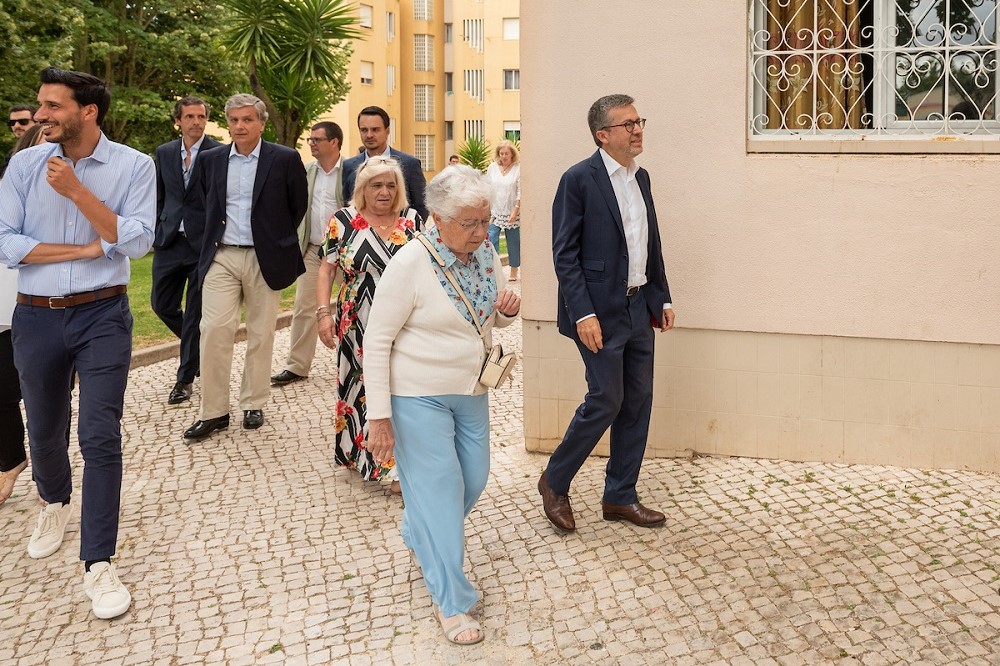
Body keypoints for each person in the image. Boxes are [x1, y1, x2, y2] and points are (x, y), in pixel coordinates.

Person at [0, 66, 156, 619]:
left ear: (87, 112)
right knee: (42, 431)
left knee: (99, 433)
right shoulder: (22, 165)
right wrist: (85, 251)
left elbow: (136, 241)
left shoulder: (135, 166)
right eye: (39, 105)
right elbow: (6, 243)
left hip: (103, 316)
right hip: (35, 317)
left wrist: (77, 191)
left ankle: (98, 563)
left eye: (51, 106)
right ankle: (55, 500)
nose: (39, 114)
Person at [364, 165, 521, 645]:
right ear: (437, 216)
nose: (481, 232)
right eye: (470, 223)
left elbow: (488, 318)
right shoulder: (411, 262)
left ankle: (420, 527)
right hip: (417, 395)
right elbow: (377, 340)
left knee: (472, 479)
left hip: (472, 390)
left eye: (484, 220)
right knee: (441, 490)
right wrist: (379, 417)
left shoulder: (486, 252)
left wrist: (506, 311)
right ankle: (451, 601)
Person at [538, 94, 675, 533]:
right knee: (606, 399)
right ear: (603, 134)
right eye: (628, 123)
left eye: (640, 121)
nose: (638, 130)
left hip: (639, 307)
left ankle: (620, 496)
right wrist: (583, 314)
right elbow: (565, 255)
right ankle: (555, 481)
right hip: (597, 313)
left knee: (637, 401)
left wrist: (662, 297)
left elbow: (648, 243)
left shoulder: (642, 177)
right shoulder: (578, 180)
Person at [183, 94, 308, 440]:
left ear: (261, 123)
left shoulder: (284, 158)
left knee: (261, 332)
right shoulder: (211, 160)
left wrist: (275, 240)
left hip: (264, 257)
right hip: (221, 256)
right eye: (234, 120)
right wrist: (202, 245)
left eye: (247, 120)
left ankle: (253, 402)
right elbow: (194, 206)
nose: (239, 126)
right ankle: (214, 412)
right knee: (214, 331)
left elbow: (297, 205)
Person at [316, 157, 420, 495]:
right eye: (377, 185)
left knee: (400, 388)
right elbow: (326, 270)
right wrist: (322, 313)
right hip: (356, 322)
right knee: (361, 390)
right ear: (362, 189)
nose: (385, 192)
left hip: (405, 323)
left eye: (391, 185)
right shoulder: (343, 221)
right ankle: (366, 458)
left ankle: (398, 467)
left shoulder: (412, 221)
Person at [152, 97, 221, 405]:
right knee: (161, 304)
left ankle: (184, 379)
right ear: (177, 120)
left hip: (202, 243)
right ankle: (197, 346)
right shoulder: (164, 152)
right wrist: (155, 230)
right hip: (169, 241)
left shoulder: (219, 152)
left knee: (194, 313)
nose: (196, 121)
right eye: (190, 116)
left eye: (201, 116)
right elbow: (159, 195)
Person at [271, 121, 344, 387]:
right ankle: (297, 366)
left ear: (334, 142)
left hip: (346, 251)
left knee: (357, 306)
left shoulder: (349, 172)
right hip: (314, 249)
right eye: (311, 139)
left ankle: (363, 360)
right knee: (303, 307)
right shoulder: (305, 172)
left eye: (317, 139)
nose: (311, 143)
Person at [0, 122, 47, 505]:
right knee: (1, 392)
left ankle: (52, 476)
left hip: (50, 304)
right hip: (5, 305)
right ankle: (11, 459)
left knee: (47, 395)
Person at [341, 106, 427, 223]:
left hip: (399, 237)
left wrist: (404, 233)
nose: (369, 135)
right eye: (364, 130)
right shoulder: (349, 166)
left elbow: (421, 206)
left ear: (387, 131)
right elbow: (348, 204)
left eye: (375, 129)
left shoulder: (409, 164)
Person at [485, 140, 522, 281]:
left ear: (512, 154)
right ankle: (494, 270)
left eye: (506, 153)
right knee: (491, 239)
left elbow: (520, 191)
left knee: (513, 242)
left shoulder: (518, 168)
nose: (504, 156)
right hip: (495, 211)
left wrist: (516, 210)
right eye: (501, 153)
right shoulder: (492, 168)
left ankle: (514, 270)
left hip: (511, 211)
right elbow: (487, 189)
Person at [1, 104, 38, 179]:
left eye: (23, 121)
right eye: (12, 122)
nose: (16, 126)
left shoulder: (46, 150)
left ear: (37, 123)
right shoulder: (12, 153)